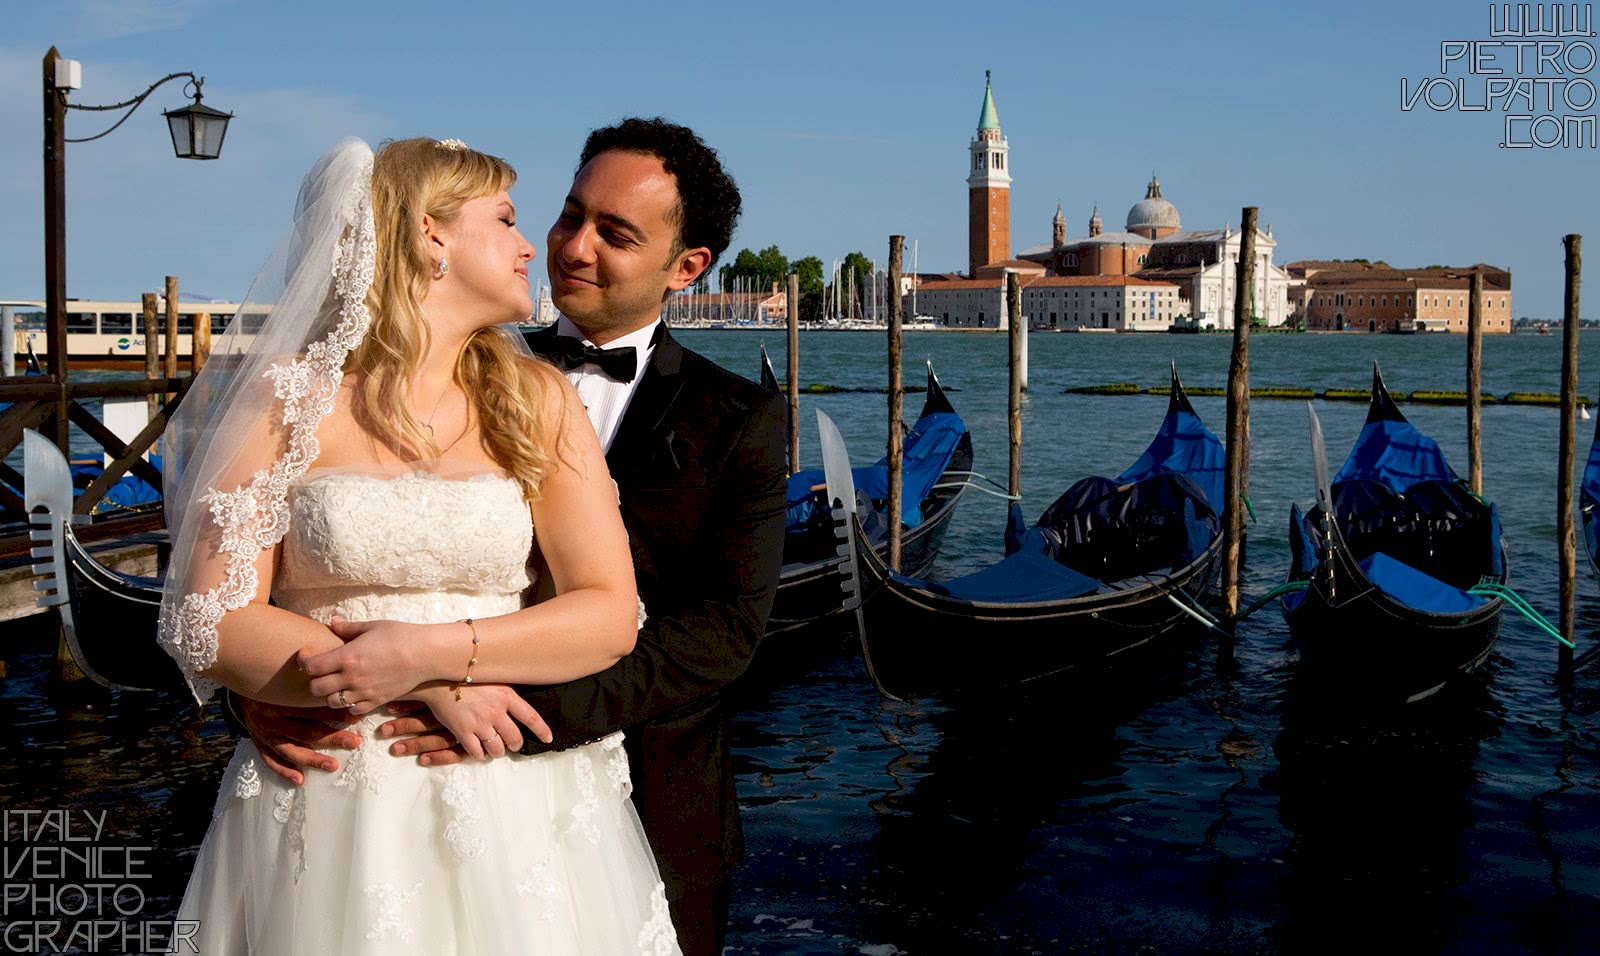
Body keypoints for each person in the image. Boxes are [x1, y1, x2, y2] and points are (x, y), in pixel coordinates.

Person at [236, 118, 789, 955]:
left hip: (642, 807)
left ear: (687, 268)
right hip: (372, 775)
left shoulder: (741, 420)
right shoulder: (455, 356)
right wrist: (276, 688)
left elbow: (720, 636)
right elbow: (253, 582)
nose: (569, 246)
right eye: (570, 215)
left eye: (615, 233)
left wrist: (487, 704)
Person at [159, 136, 681, 954]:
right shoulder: (288, 397)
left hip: (514, 798)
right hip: (341, 790)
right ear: (430, 236)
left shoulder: (536, 399)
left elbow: (610, 613)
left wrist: (433, 655)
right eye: (505, 219)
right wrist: (418, 687)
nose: (526, 244)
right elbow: (209, 619)